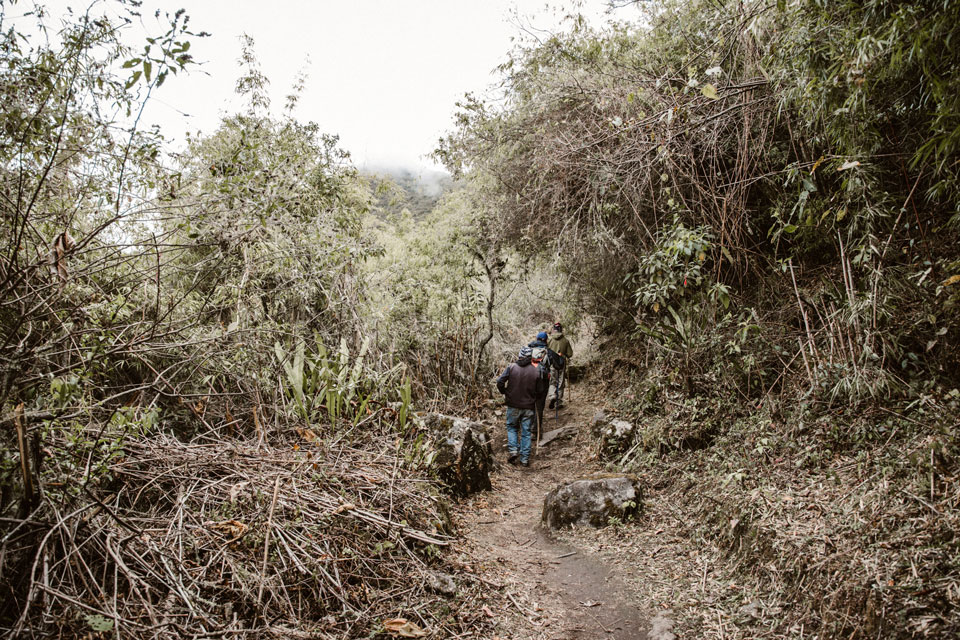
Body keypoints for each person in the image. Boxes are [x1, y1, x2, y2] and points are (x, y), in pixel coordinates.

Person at [496, 346, 539, 467]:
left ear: (519, 355)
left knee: (512, 427)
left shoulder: (511, 367)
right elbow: (540, 390)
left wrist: (505, 392)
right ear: (531, 357)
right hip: (529, 407)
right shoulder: (536, 370)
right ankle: (524, 459)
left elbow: (500, 382)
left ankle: (513, 451)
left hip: (513, 404)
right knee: (526, 432)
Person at [548, 322, 573, 409]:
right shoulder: (565, 341)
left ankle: (552, 396)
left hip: (552, 364)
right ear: (561, 330)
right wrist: (564, 354)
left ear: (554, 329)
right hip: (562, 363)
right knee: (560, 382)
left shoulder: (550, 340)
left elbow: (546, 351)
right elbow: (570, 354)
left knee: (552, 381)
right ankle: (558, 402)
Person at [530, 346, 550, 441]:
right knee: (539, 409)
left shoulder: (528, 366)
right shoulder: (543, 366)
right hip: (541, 391)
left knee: (531, 409)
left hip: (530, 391)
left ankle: (532, 430)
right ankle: (536, 431)